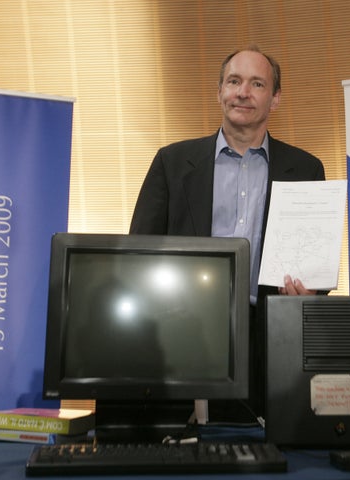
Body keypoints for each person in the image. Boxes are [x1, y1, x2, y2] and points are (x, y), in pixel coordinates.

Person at [129, 45, 326, 420]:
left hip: (268, 337)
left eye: (257, 84)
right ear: (220, 90)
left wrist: (310, 290)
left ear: (275, 98)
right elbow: (138, 252)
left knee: (264, 454)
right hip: (180, 335)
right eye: (234, 81)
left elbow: (315, 262)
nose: (243, 92)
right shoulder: (172, 163)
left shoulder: (306, 168)